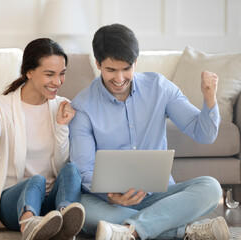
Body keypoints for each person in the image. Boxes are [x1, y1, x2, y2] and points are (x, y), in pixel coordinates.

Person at [69, 24, 229, 240]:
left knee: (211, 187)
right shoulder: (83, 106)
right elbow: (83, 170)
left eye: (126, 69)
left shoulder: (160, 88)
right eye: (111, 70)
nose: (119, 79)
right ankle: (181, 230)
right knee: (84, 210)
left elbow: (203, 134)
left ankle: (130, 231)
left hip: (159, 194)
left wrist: (209, 99)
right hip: (110, 201)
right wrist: (112, 195)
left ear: (136, 62)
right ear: (97, 64)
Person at [0, 38, 85, 240]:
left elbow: (61, 164)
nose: (57, 82)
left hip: (51, 205)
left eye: (62, 74)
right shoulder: (1, 106)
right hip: (13, 202)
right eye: (49, 74)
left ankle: (65, 223)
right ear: (29, 72)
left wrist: (61, 127)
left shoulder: (62, 106)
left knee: (72, 170)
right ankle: (29, 224)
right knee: (36, 181)